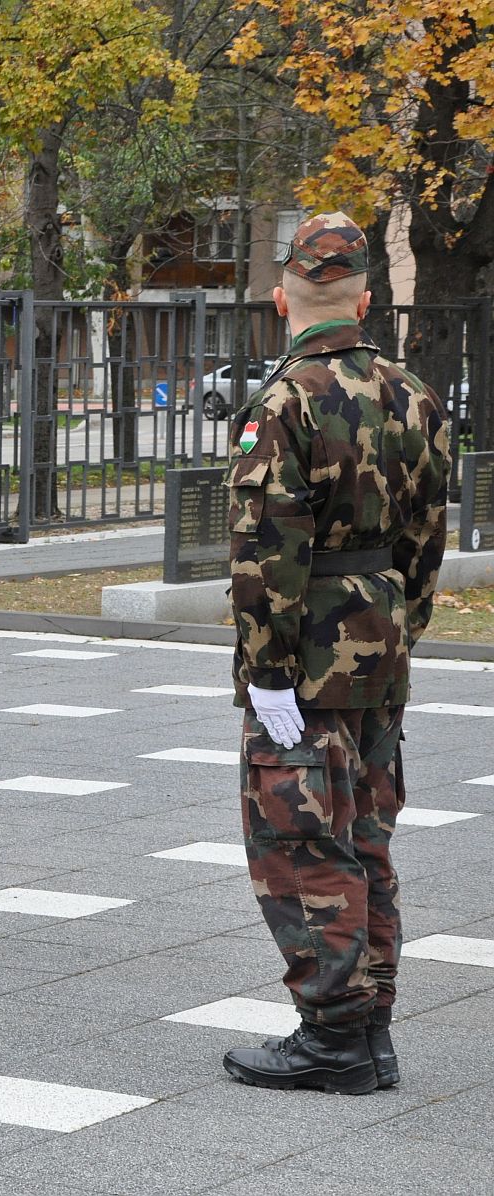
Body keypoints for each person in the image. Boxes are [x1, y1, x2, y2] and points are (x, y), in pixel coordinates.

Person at [219, 212, 450, 1094]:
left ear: (283, 299)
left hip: (306, 658)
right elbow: (428, 539)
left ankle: (333, 1037)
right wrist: (400, 632)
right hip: (380, 650)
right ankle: (371, 1025)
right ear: (364, 296)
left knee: (302, 842)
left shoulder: (285, 400)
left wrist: (266, 671)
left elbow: (265, 550)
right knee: (366, 837)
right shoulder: (415, 395)